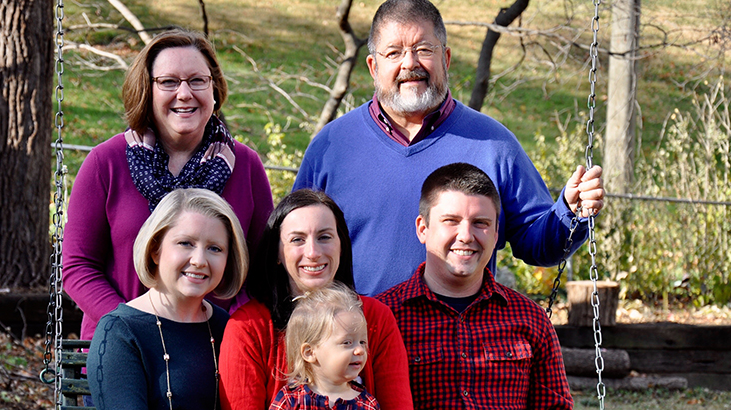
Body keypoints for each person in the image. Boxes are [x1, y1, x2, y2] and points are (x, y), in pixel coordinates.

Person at [293, 0, 605, 296]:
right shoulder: (332, 146)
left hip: (459, 343)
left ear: (446, 58)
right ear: (373, 67)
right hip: (357, 344)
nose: (410, 64)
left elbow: (537, 244)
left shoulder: (493, 145)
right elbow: (295, 246)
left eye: (423, 50)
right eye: (394, 53)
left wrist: (570, 211)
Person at [64, 28, 273, 342]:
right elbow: (78, 266)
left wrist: (228, 326)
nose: (185, 93)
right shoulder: (105, 163)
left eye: (197, 80)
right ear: (147, 90)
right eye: (169, 82)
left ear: (214, 89)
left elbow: (261, 270)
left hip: (217, 349)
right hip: (123, 346)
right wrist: (130, 324)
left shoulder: (246, 166)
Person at [377, 163, 573, 409]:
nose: (466, 235)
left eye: (480, 223)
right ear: (422, 229)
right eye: (451, 221)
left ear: (495, 233)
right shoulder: (385, 317)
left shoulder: (530, 319)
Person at [219, 189, 413, 410]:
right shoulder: (248, 328)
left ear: (342, 245)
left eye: (324, 237)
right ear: (277, 254)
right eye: (297, 239)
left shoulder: (376, 318)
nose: (312, 252)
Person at [87, 188, 248, 410]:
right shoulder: (120, 333)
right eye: (186, 243)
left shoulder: (227, 327)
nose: (200, 260)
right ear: (155, 250)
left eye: (214, 248)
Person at [270, 282, 381, 410]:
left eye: (362, 342)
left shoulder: (367, 404)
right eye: (347, 343)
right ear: (309, 352)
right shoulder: (291, 400)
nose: (360, 350)